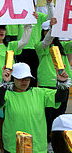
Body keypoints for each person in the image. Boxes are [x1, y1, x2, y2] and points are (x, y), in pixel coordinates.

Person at [0, 11, 33, 153]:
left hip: (10, 85)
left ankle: (11, 138)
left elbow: (24, 41)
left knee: (11, 113)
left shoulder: (10, 46)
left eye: (3, 28)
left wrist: (28, 25)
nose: (1, 31)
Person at [0, 63, 69, 153]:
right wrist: (4, 83)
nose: (24, 81)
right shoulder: (7, 94)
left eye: (27, 78)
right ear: (13, 78)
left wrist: (62, 83)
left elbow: (59, 98)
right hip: (14, 146)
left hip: (38, 146)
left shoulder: (40, 92)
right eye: (21, 79)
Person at [35, 19, 72, 152]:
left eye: (49, 31)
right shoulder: (40, 47)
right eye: (45, 31)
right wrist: (53, 29)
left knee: (60, 115)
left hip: (63, 85)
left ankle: (60, 141)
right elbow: (46, 41)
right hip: (47, 86)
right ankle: (48, 142)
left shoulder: (63, 46)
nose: (48, 34)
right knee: (47, 116)